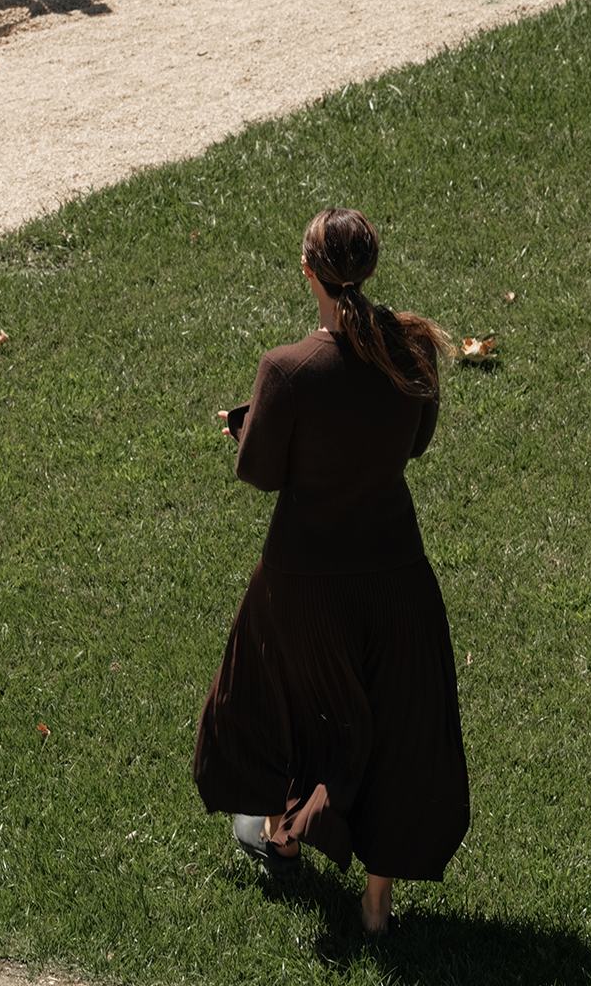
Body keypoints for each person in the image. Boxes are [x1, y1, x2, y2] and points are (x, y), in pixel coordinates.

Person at [193, 206, 469, 940]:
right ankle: (376, 907)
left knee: (278, 703)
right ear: (369, 267)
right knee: (391, 729)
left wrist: (250, 423)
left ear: (308, 272)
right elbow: (414, 444)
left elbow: (258, 472)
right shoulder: (412, 350)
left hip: (304, 580)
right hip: (396, 574)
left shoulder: (287, 370)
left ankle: (282, 833)